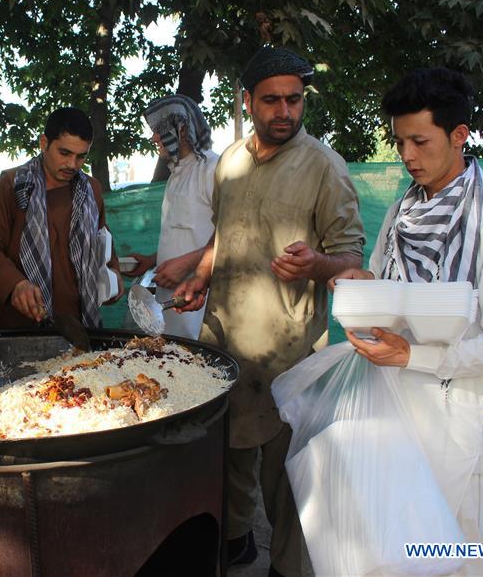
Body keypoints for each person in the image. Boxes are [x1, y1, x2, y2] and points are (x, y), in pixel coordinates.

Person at [330, 67, 483, 576]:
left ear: (459, 135)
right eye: (400, 142)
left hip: (453, 414)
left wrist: (414, 355)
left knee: (452, 545)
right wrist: (365, 282)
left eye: (420, 141)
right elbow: (391, 283)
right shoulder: (402, 212)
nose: (407, 156)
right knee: (393, 540)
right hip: (390, 402)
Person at [173, 47, 366, 575]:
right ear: (248, 101)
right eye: (272, 101)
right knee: (227, 458)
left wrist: (317, 264)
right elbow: (224, 234)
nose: (285, 111)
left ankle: (286, 567)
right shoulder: (230, 163)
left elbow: (352, 256)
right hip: (225, 343)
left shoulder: (325, 167)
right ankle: (235, 544)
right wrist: (200, 276)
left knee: (285, 479)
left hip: (291, 354)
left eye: (294, 100)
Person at [0, 107, 123, 329]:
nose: (72, 164)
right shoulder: (12, 185)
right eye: (64, 153)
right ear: (44, 143)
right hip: (19, 323)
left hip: (78, 325)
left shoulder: (91, 190)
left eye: (81, 156)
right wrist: (14, 284)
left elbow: (103, 242)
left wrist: (114, 275)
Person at [121, 94, 217, 339]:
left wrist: (187, 264)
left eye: (159, 130)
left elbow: (229, 235)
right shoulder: (176, 174)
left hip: (200, 303)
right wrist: (152, 261)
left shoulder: (213, 169)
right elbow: (184, 236)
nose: (154, 137)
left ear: (181, 128)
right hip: (169, 303)